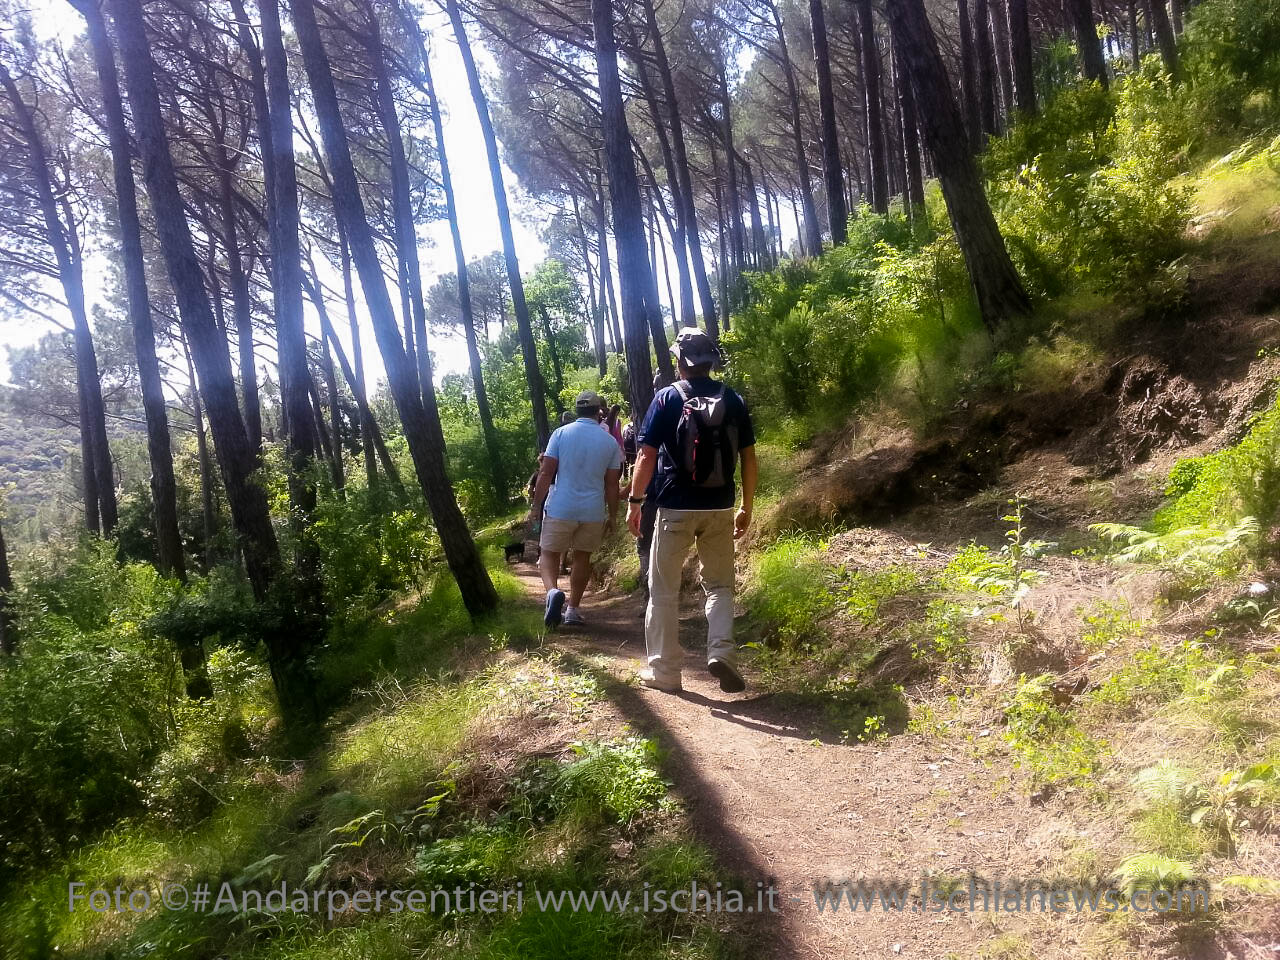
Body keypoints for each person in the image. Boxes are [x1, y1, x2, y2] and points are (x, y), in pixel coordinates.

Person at [627, 330, 756, 693]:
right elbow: (748, 456)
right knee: (719, 586)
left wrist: (635, 503)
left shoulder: (667, 398)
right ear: (710, 361)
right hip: (720, 507)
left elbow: (646, 455)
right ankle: (722, 653)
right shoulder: (732, 399)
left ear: (680, 361)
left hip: (673, 508)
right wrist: (746, 505)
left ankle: (665, 672)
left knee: (663, 590)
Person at [530, 390, 623, 628]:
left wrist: (536, 505)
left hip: (561, 506)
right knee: (583, 557)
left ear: (577, 410)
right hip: (592, 510)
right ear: (598, 412)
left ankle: (552, 592)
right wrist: (612, 515)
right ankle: (572, 610)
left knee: (548, 553)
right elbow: (612, 484)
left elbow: (546, 472)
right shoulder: (610, 442)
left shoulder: (560, 434)